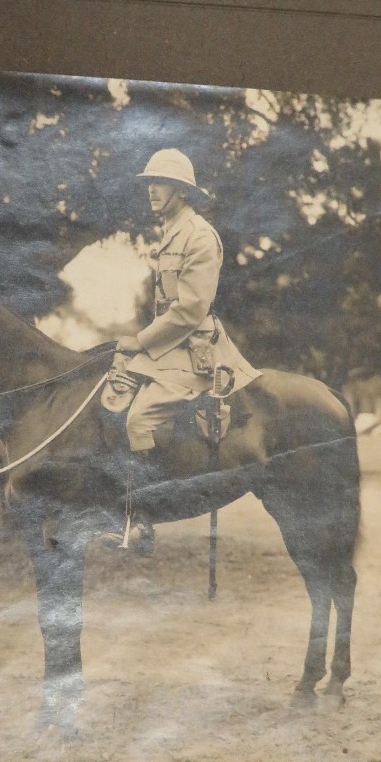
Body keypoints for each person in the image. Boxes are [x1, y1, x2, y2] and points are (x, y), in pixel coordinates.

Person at [100, 148, 259, 549]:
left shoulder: (200, 236)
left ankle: (145, 523)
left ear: (182, 192)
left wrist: (141, 340)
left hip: (195, 354)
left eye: (162, 183)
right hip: (170, 349)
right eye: (150, 182)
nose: (152, 189)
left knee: (139, 419)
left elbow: (190, 309)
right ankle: (115, 508)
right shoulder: (171, 232)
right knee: (111, 394)